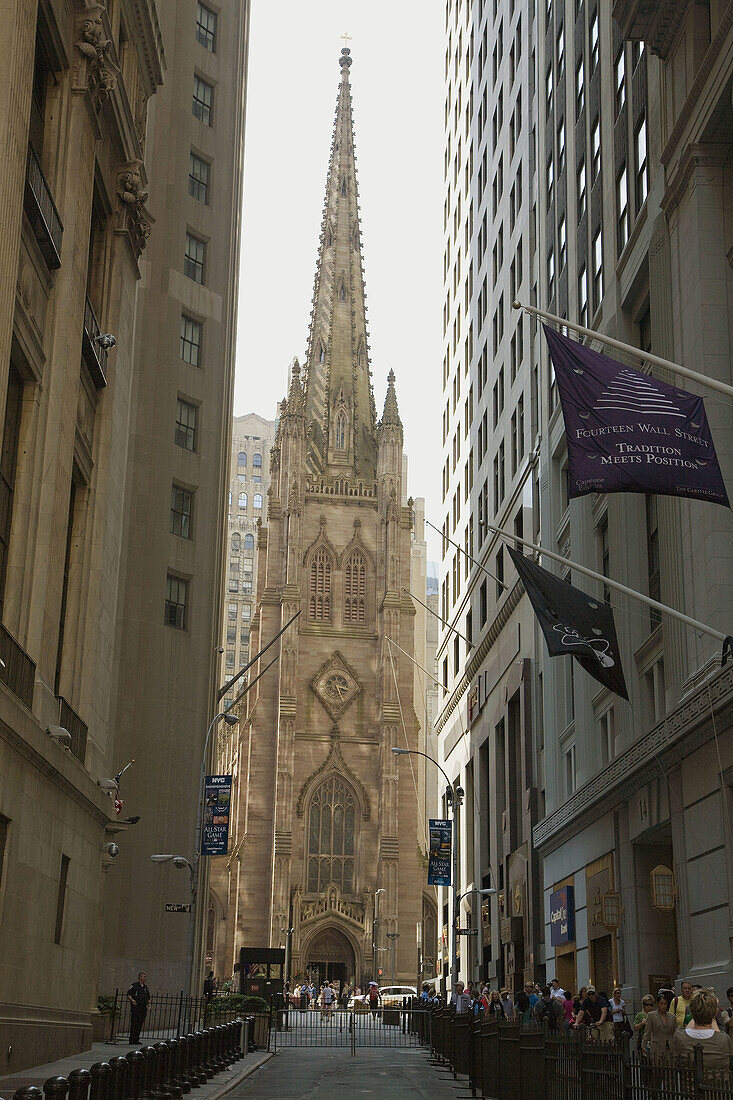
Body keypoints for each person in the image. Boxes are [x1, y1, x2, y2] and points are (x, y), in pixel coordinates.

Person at [671, 988, 733, 1077]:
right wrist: (713, 1010)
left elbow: (687, 1027)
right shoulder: (724, 1039)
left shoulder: (679, 1036)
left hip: (689, 1089)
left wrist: (697, 1009)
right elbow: (718, 1035)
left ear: (691, 1010)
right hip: (717, 1089)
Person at [643, 993, 676, 1058]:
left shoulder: (672, 1017)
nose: (663, 1006)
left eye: (665, 1004)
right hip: (657, 1047)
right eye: (661, 1004)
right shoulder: (651, 1015)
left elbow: (675, 1032)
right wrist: (644, 1045)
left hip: (670, 1048)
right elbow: (647, 1032)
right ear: (657, 1004)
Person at [127, 971, 150, 1045]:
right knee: (134, 1023)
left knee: (140, 1023)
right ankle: (132, 1039)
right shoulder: (135, 986)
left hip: (143, 1007)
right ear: (139, 977)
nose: (144, 978)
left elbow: (148, 997)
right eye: (143, 976)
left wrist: (149, 1005)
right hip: (136, 1006)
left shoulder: (145, 987)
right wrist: (132, 1000)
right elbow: (129, 994)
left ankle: (136, 1038)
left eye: (145, 977)